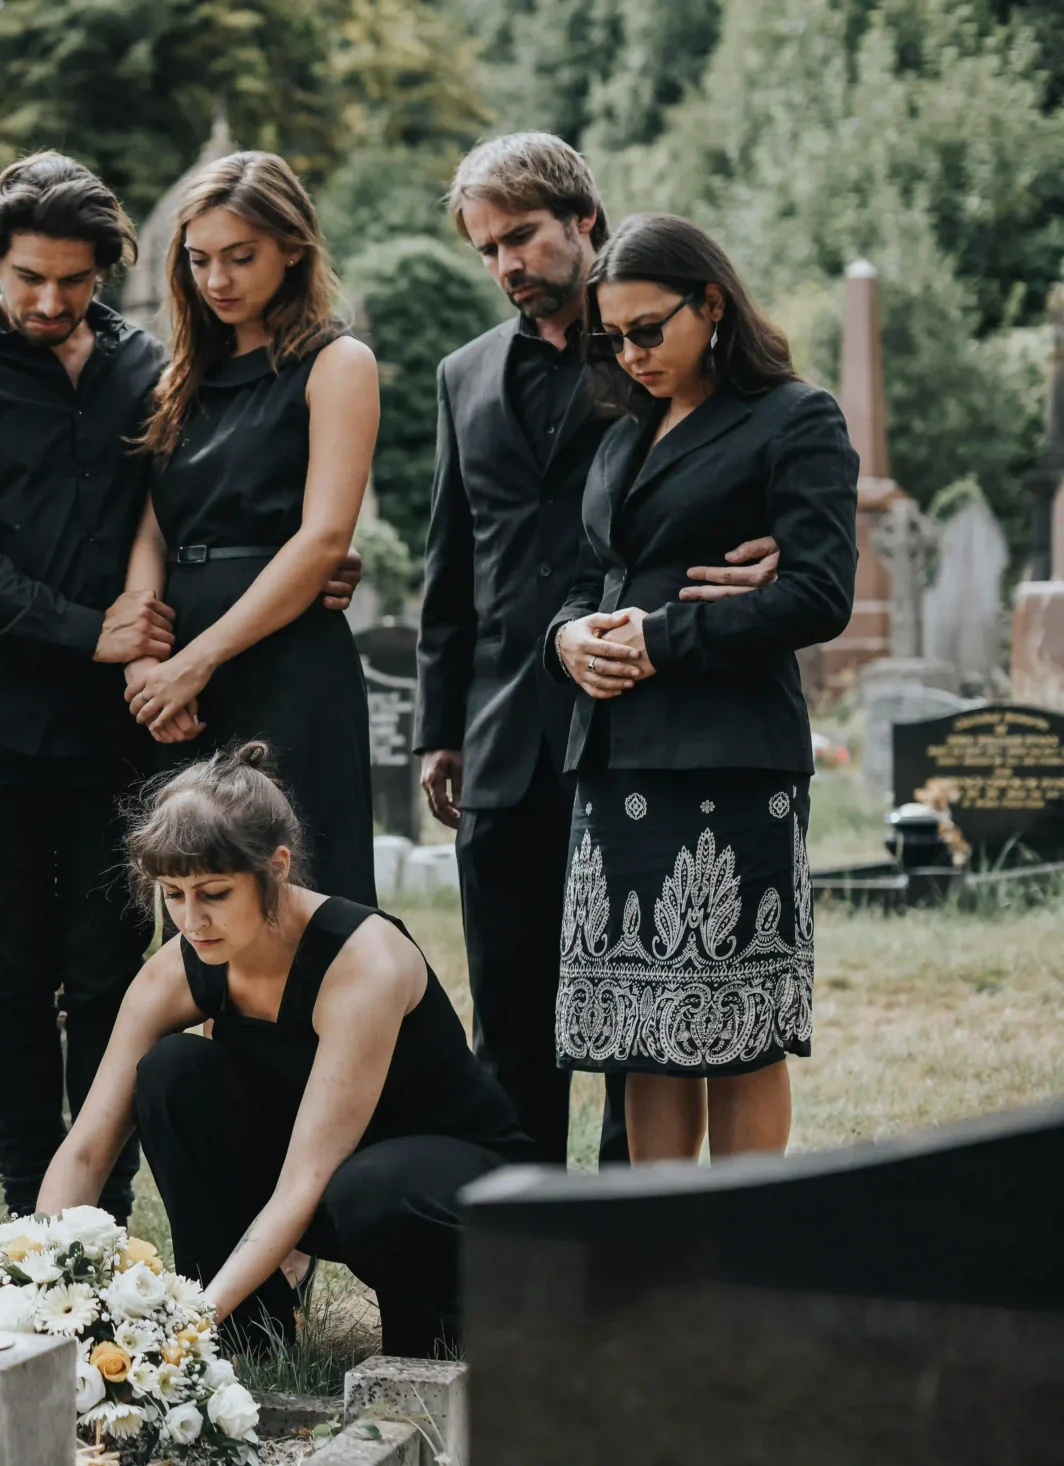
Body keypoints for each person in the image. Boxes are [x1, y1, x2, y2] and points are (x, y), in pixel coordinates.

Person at [0, 152, 363, 1223]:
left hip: (126, 732)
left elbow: (194, 505)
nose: (50, 302)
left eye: (74, 280)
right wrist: (90, 633)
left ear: (106, 268)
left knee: (116, 973)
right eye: (26, 280)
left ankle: (105, 1216)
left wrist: (293, 565)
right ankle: (25, 1219)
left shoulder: (154, 363)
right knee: (11, 977)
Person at [416, 133, 782, 1168]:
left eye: (521, 237)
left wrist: (789, 546)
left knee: (638, 1023)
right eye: (486, 249)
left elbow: (749, 449)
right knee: (511, 1025)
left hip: (635, 725)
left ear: (583, 221)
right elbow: (452, 561)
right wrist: (438, 728)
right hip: (500, 738)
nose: (506, 266)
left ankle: (632, 1248)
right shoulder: (460, 375)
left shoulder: (652, 344)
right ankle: (533, 1262)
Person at [36, 743, 532, 1359]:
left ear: (275, 868)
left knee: (369, 1187)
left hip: (445, 1192)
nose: (193, 920)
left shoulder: (363, 962)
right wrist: (35, 1288)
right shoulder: (178, 968)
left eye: (214, 893)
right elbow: (86, 1149)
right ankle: (248, 1340)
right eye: (173, 894)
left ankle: (443, 1343)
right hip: (329, 1183)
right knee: (171, 1072)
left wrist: (182, 1329)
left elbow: (307, 1179)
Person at [548, 213, 858, 1162]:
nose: (632, 354)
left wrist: (664, 638)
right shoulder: (621, 434)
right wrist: (568, 639)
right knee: (639, 1033)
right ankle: (663, 1258)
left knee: (738, 1031)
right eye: (616, 336)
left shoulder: (795, 418)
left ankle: (744, 1261)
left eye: (650, 330)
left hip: (726, 755)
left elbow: (819, 592)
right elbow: (585, 576)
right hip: (614, 754)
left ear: (711, 303)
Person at [122, 151, 380, 905]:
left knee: (302, 893)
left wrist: (195, 663)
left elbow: (325, 539)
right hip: (181, 672)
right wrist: (148, 664)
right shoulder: (176, 379)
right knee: (202, 897)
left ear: (292, 248)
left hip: (288, 660)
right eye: (200, 260)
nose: (219, 281)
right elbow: (151, 530)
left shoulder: (337, 362)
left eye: (242, 257)